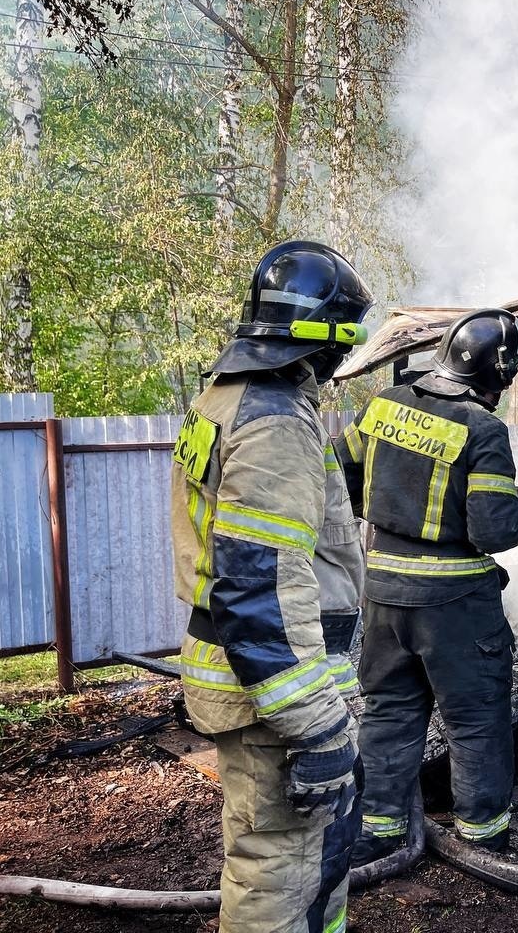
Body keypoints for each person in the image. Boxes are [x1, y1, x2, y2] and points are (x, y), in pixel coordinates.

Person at [170, 240, 372, 933]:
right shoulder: (276, 422)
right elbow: (258, 590)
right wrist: (316, 725)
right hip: (272, 690)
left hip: (246, 675)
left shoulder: (224, 398)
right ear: (326, 337)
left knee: (288, 857)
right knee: (282, 867)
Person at [336, 307, 518, 865]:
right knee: (475, 720)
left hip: (383, 593)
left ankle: (379, 830)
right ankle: (483, 840)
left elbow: (339, 476)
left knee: (388, 711)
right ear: (498, 370)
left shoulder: (383, 405)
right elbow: (492, 530)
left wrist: (387, 510)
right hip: (455, 606)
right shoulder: (483, 430)